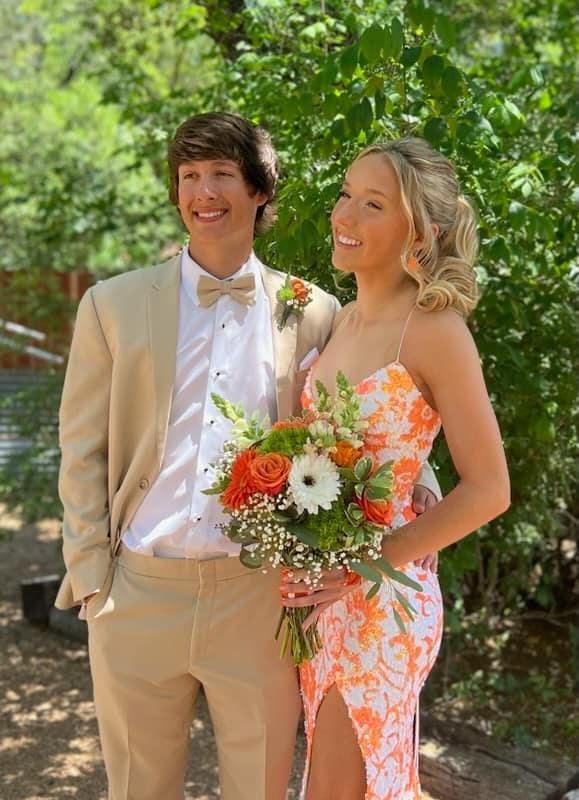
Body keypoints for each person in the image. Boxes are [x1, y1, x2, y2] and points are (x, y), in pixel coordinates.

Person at [54, 113, 441, 800]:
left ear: (259, 190)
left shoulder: (313, 308)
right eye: (188, 176)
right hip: (136, 592)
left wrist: (421, 477)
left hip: (260, 595)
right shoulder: (109, 305)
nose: (203, 192)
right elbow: (82, 449)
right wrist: (92, 580)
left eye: (221, 174)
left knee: (260, 789)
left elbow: (368, 402)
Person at [281, 137, 510, 800]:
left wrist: (362, 561)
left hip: (381, 603)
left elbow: (490, 488)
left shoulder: (433, 329)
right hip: (325, 601)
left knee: (342, 786)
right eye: (345, 193)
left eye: (371, 204)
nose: (343, 215)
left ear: (422, 231)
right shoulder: (343, 319)